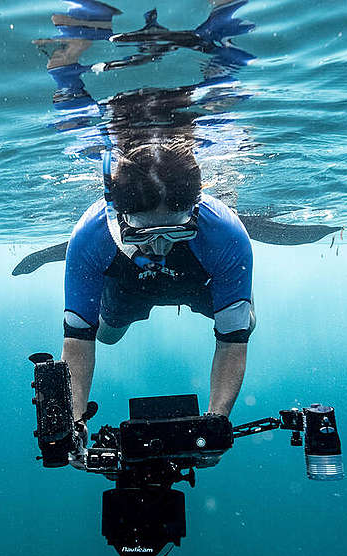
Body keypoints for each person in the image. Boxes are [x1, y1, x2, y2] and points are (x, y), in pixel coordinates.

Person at [61, 140, 255, 431]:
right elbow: (77, 340)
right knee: (105, 335)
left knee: (242, 325)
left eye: (176, 231)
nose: (160, 247)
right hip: (128, 282)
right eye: (144, 235)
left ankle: (240, 296)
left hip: (198, 278)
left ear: (195, 208)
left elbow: (232, 343)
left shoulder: (226, 232)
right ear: (118, 215)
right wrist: (73, 424)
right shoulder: (90, 236)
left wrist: (216, 423)